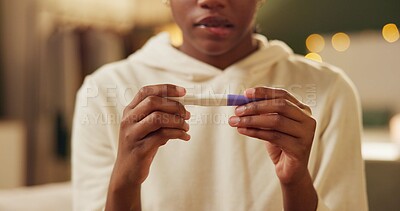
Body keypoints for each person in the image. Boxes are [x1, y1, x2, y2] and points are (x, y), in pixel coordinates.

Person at [72, 0, 368, 210]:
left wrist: (296, 183)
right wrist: (125, 181)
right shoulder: (102, 91)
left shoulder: (331, 91)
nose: (211, 1)